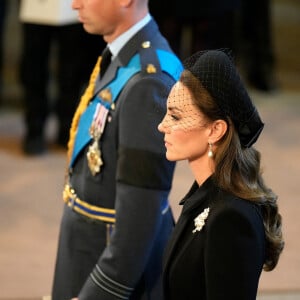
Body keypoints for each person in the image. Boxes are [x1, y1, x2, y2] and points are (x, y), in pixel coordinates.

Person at [51, 0, 182, 299]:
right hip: (87, 247)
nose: (75, 4)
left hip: (110, 269)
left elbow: (137, 225)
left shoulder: (148, 80)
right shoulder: (122, 54)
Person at [158, 49, 284, 299]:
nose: (162, 125)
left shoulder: (231, 218)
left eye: (175, 116)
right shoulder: (204, 195)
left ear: (215, 130)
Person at [19, 0, 104, 154]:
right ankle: (34, 128)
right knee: (34, 66)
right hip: (35, 8)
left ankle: (67, 127)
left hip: (71, 9)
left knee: (72, 69)